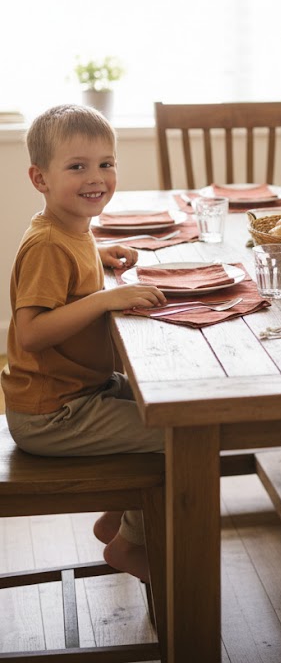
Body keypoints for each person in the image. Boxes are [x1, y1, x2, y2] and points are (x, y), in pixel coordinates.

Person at [1, 104, 167, 582]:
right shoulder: (50, 244)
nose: (96, 178)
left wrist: (97, 253)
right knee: (179, 432)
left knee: (158, 399)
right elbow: (31, 331)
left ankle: (118, 515)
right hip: (53, 415)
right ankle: (130, 546)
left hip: (78, 392)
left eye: (105, 164)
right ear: (40, 178)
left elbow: (68, 271)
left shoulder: (70, 231)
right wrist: (106, 299)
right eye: (77, 167)